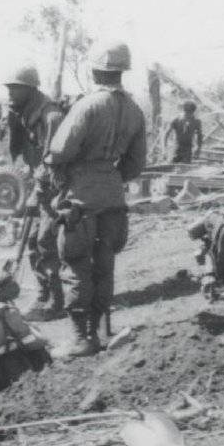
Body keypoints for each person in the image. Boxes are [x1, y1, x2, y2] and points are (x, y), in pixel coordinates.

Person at [44, 41, 147, 356]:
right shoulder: (134, 110)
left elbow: (61, 151)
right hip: (113, 197)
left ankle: (80, 339)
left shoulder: (87, 105)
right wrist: (110, 176)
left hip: (81, 197)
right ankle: (103, 332)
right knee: (105, 264)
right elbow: (135, 164)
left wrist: (54, 167)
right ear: (122, 73)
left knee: (75, 264)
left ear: (96, 71)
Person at [1, 65, 66, 321]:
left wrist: (37, 191)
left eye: (15, 89)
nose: (10, 95)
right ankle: (44, 293)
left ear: (30, 89)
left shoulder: (51, 117)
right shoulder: (27, 113)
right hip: (41, 187)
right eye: (8, 89)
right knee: (32, 243)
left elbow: (54, 159)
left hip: (56, 189)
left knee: (46, 242)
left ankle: (57, 301)